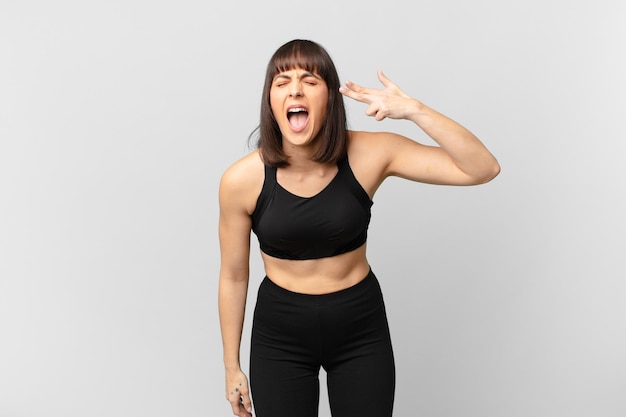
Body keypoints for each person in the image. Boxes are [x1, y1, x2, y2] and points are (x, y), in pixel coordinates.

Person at [218, 39, 500, 417]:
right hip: (280, 333)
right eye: (282, 81)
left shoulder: (370, 154)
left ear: (330, 98)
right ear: (270, 100)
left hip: (358, 327)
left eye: (310, 80)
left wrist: (415, 110)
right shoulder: (242, 179)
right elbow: (234, 276)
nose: (295, 89)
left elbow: (482, 168)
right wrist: (231, 366)